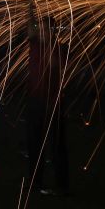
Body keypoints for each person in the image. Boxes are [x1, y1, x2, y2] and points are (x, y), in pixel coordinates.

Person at [27, 12, 69, 195]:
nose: (41, 31)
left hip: (52, 103)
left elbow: (54, 68)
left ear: (52, 31)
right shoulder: (35, 44)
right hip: (36, 102)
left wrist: (50, 47)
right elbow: (30, 26)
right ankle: (36, 184)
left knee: (56, 145)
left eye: (45, 29)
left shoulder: (58, 48)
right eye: (40, 28)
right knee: (35, 144)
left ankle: (62, 185)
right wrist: (29, 3)